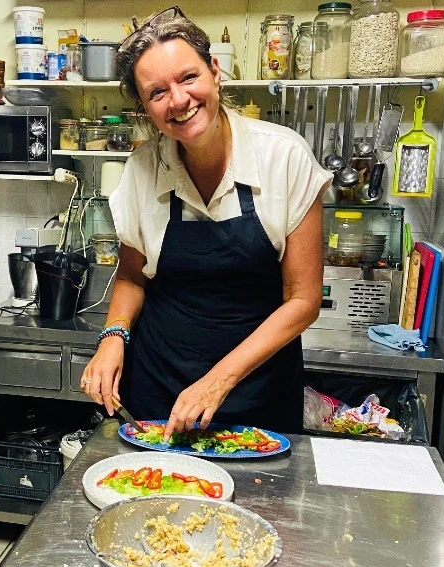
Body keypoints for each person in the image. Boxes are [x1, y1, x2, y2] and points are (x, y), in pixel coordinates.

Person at [80, 7, 332, 440]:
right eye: (157, 92)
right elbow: (132, 276)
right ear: (145, 107)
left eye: (188, 78)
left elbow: (303, 299)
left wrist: (219, 380)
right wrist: (113, 336)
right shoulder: (142, 169)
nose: (177, 100)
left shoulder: (284, 158)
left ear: (215, 72)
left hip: (259, 400)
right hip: (157, 395)